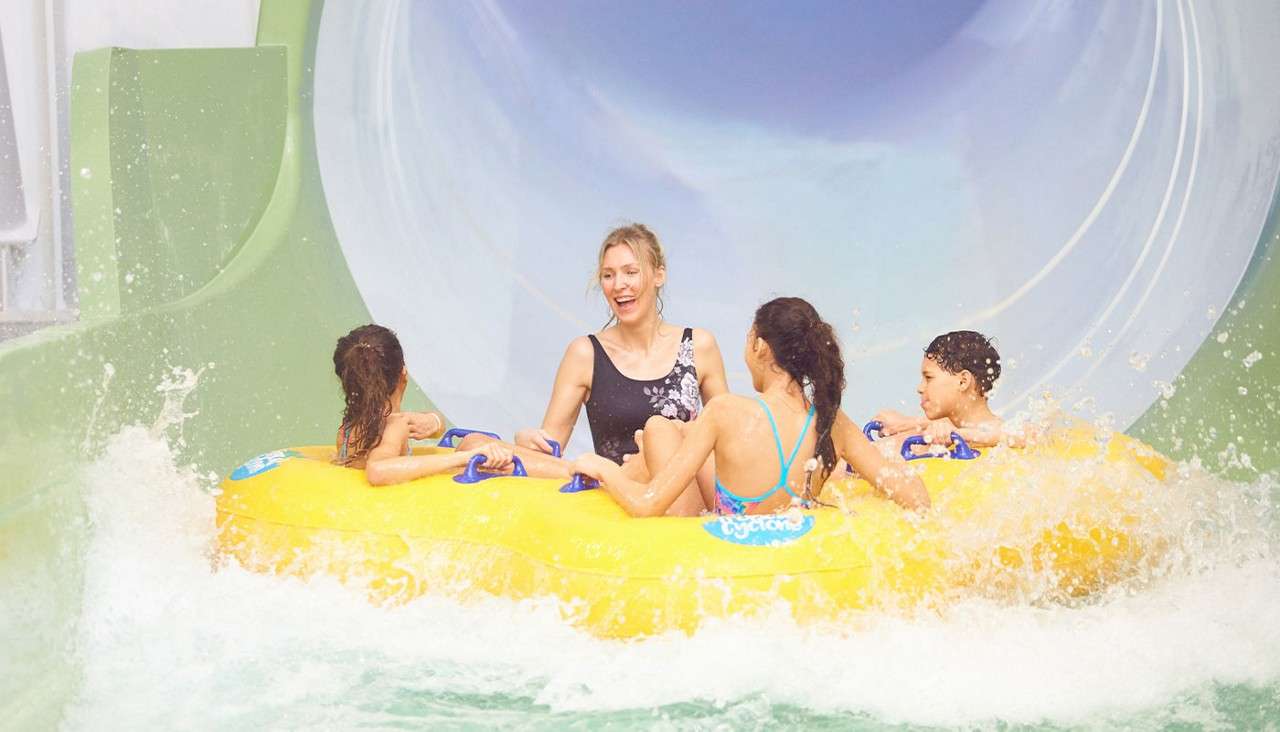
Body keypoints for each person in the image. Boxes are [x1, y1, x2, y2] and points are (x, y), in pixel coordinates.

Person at [572, 297, 930, 516]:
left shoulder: (726, 412)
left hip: (719, 552)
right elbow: (915, 497)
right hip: (788, 539)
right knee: (665, 430)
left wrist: (604, 469)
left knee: (656, 430)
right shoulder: (831, 421)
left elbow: (648, 504)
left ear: (759, 346)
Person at [501, 224, 730, 514]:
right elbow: (551, 448)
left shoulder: (699, 346)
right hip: (616, 509)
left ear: (659, 275)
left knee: (665, 438)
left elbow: (727, 443)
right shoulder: (585, 354)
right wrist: (526, 442)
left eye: (630, 272)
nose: (618, 284)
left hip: (687, 512)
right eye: (608, 275)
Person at [333, 324, 569, 485]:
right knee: (472, 444)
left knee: (470, 443)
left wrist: (434, 421)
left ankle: (552, 462)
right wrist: (464, 458)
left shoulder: (346, 430)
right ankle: (570, 472)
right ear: (403, 373)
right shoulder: (395, 426)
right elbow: (377, 470)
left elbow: (429, 428)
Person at [872, 330, 1024, 449]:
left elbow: (1034, 435)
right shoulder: (934, 436)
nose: (920, 388)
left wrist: (959, 434)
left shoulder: (1009, 434)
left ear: (963, 381)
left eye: (929, 378)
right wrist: (907, 424)